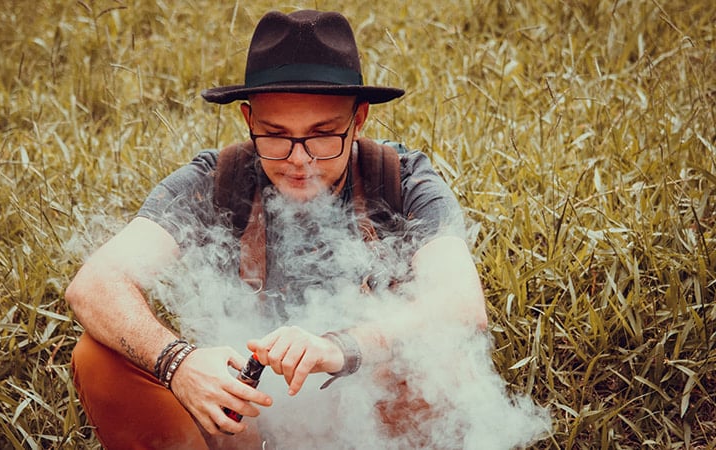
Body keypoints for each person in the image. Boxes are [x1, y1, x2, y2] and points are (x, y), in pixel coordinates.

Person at [66, 9, 488, 450]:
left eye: (323, 134)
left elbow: (461, 305)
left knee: (448, 361)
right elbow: (94, 284)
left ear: (358, 119)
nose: (298, 159)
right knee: (98, 357)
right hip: (244, 425)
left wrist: (342, 347)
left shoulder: (400, 178)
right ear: (249, 120)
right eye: (275, 135)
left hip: (372, 414)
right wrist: (180, 364)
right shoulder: (217, 179)